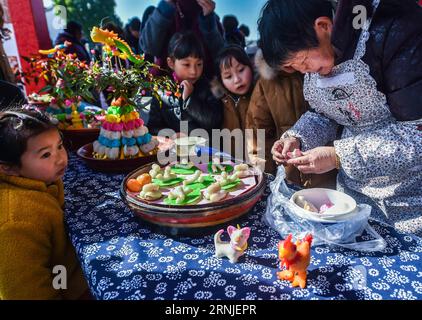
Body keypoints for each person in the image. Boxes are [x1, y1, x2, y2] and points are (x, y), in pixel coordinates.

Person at [259, 0, 422, 235]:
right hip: (352, 199)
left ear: (323, 26)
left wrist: (340, 156)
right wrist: (297, 137)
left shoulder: (394, 28)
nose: (304, 71)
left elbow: (416, 134)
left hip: (411, 203)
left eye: (303, 61)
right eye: (296, 68)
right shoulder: (319, 58)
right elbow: (324, 114)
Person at [0, 108, 89, 299]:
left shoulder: (41, 180)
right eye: (45, 155)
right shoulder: (15, 222)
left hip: (69, 275)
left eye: (59, 146)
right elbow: (22, 291)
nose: (61, 158)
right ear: (9, 168)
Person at [246, 49, 338, 188]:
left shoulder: (320, 69)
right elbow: (257, 132)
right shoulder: (265, 84)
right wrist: (263, 173)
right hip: (289, 173)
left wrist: (336, 156)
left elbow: (331, 116)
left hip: (328, 171)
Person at [147, 31, 223, 137]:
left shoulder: (208, 87)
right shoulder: (161, 92)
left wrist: (189, 99)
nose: (194, 71)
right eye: (186, 64)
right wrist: (170, 136)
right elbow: (153, 127)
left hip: (203, 151)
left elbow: (213, 122)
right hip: (172, 151)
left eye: (199, 64)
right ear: (171, 63)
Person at [140, 0, 224, 78]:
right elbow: (149, 49)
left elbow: (221, 55)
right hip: (166, 84)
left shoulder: (210, 15)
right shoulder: (161, 10)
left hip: (204, 85)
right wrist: (165, 8)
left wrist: (208, 21)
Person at [210, 45, 254, 159]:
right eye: (228, 76)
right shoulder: (220, 103)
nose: (237, 79)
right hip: (233, 168)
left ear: (251, 66)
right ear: (221, 81)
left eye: (241, 70)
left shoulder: (261, 95)